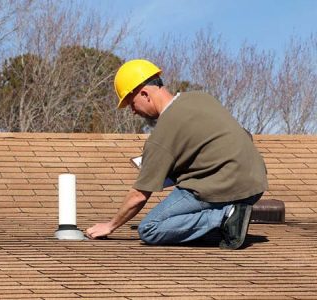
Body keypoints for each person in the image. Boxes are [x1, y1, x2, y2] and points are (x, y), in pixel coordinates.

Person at [86, 59, 268, 249]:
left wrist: (110, 225)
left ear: (145, 94)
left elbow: (138, 196)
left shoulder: (162, 134)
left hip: (222, 188)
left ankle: (226, 216)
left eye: (132, 103)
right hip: (255, 185)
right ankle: (228, 216)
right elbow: (242, 136)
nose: (132, 111)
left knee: (150, 228)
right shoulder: (201, 98)